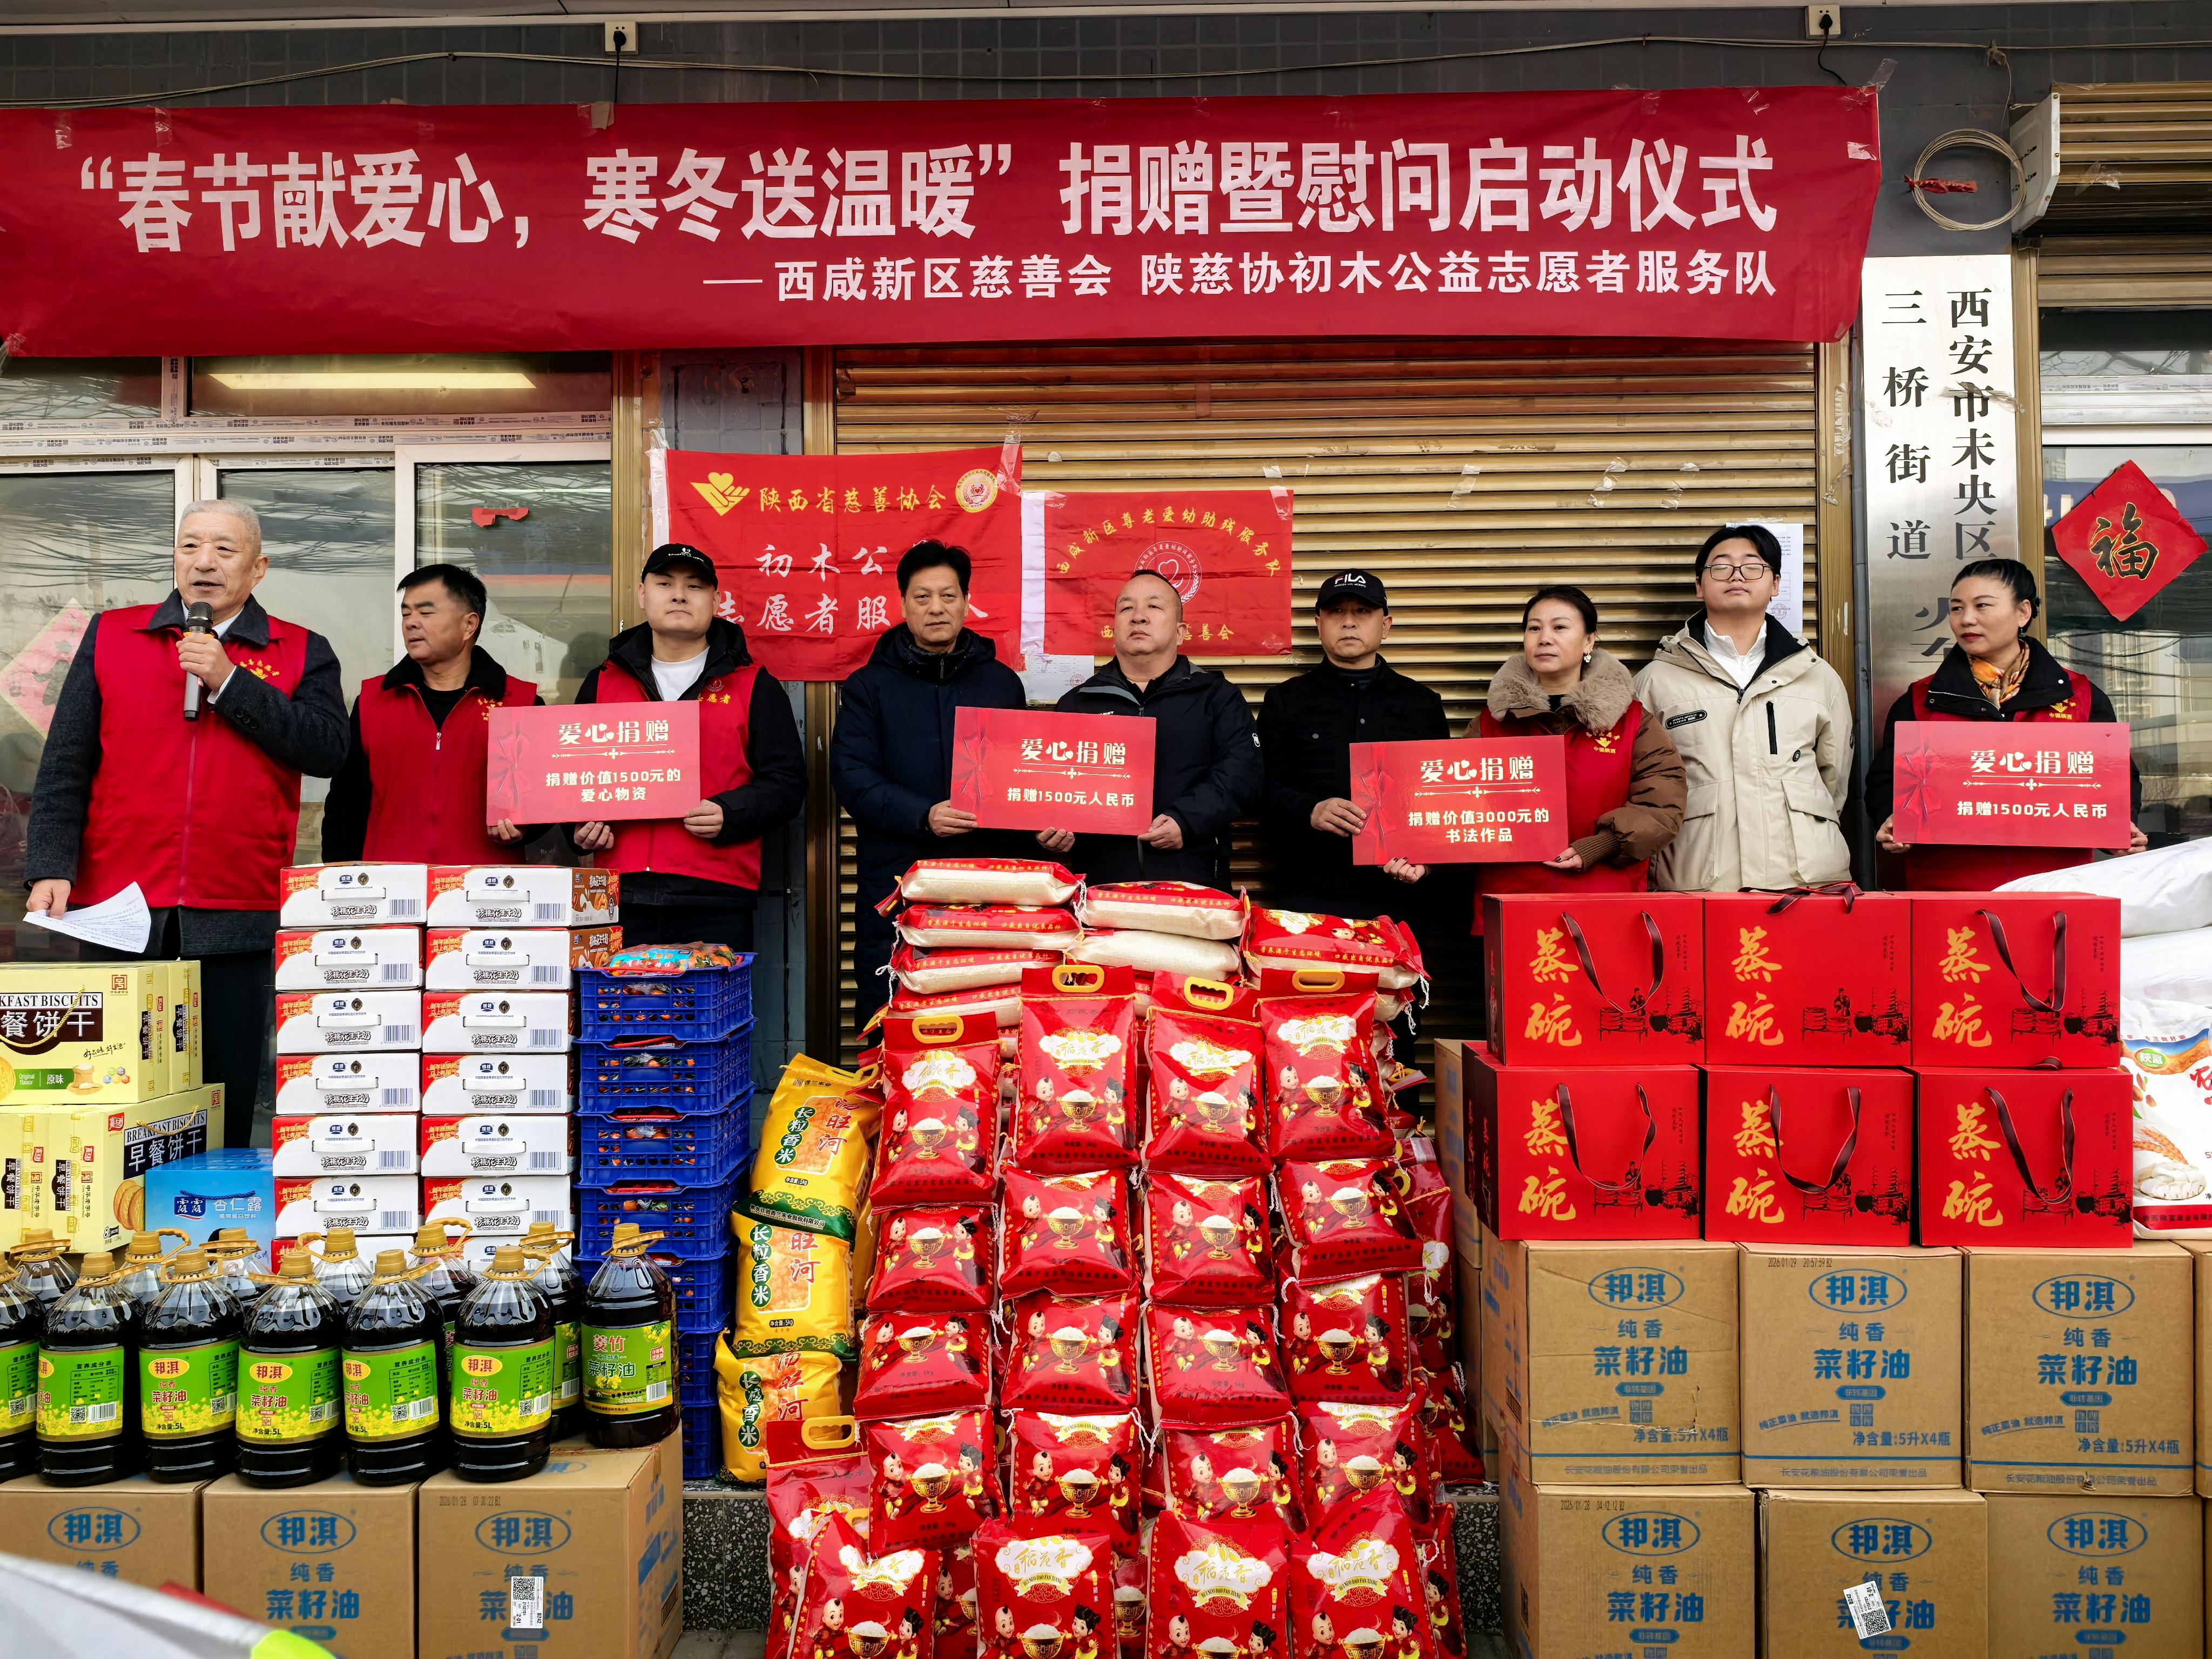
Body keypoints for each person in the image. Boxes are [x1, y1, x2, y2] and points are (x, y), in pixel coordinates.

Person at [24, 500, 349, 1145]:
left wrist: (229, 681)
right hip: (118, 898)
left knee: (225, 1084)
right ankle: (120, 1204)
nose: (204, 562)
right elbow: (66, 761)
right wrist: (51, 865)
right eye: (190, 546)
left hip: (237, 896)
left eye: (225, 550)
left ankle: (217, 1207)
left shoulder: (301, 649)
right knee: (112, 1086)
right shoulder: (113, 635)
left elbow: (327, 750)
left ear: (258, 568)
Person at [569, 543, 805, 950]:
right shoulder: (602, 682)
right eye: (665, 584)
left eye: (694, 586)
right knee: (625, 997)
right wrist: (580, 829)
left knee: (711, 996)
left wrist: (731, 812)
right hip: (619, 894)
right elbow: (570, 773)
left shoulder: (754, 685)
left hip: (716, 896)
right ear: (642, 595)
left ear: (716, 600)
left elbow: (788, 783)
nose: (679, 595)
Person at [830, 541, 1028, 1006]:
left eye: (948, 595)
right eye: (922, 597)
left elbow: (1022, 776)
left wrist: (1044, 826)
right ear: (903, 605)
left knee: (983, 1005)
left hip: (985, 880)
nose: (936, 608)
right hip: (899, 880)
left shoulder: (1001, 683)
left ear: (966, 602)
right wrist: (923, 815)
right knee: (892, 1003)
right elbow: (853, 777)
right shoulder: (868, 687)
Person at [1870, 557, 2146, 888]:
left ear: (2023, 613)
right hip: (1948, 889)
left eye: (1982, 606)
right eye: (1956, 608)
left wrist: (2120, 827)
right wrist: (1892, 818)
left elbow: (2116, 777)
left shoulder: (2081, 696)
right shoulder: (1920, 699)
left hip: (2055, 888)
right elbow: (1887, 779)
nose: (1966, 619)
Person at [1632, 523, 1853, 892]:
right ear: (1700, 585)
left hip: (1805, 882)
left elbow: (1834, 781)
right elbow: (1642, 784)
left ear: (1776, 584)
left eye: (1752, 566)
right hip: (1696, 878)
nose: (1736, 575)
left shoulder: (1818, 676)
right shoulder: (1657, 681)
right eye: (1721, 566)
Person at [1471, 585, 1685, 923]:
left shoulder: (1632, 722)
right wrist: (1425, 859)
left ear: (1589, 641)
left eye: (1560, 627)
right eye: (1534, 628)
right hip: (1512, 903)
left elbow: (1662, 806)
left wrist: (1603, 845)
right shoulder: (1490, 724)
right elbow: (1457, 809)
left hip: (1605, 902)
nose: (1544, 638)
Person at [1039, 571, 1262, 887]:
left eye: (1154, 607)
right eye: (1126, 608)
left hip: (1194, 880)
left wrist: (1187, 821)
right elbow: (1046, 782)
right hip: (1102, 884)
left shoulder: (1217, 697)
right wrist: (1050, 831)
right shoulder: (1078, 703)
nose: (1138, 617)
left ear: (1181, 632)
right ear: (1113, 628)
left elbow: (1243, 773)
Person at [1256, 570, 1449, 921]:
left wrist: (1427, 862)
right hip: (1307, 890)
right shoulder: (1285, 701)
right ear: (1319, 625)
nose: (1348, 622)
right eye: (1336, 612)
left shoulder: (1422, 704)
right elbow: (1257, 788)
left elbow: (1443, 798)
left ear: (1385, 626)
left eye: (1362, 611)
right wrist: (1310, 810)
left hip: (1397, 894)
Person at [320, 562, 538, 863]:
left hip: (485, 886)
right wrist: (340, 874)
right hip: (390, 884)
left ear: (469, 625)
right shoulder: (373, 702)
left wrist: (526, 829)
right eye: (406, 614)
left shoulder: (520, 703)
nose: (411, 623)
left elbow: (542, 802)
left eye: (426, 612)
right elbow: (346, 804)